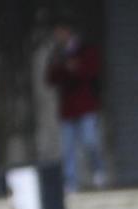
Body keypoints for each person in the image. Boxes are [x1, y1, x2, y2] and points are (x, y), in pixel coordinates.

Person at [45, 24, 107, 192]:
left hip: (86, 106)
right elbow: (51, 78)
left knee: (90, 141)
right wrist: (65, 68)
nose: (59, 37)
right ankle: (71, 182)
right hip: (68, 109)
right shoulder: (57, 54)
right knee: (68, 149)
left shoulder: (85, 49)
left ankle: (98, 171)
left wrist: (75, 69)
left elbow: (91, 71)